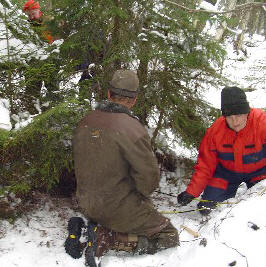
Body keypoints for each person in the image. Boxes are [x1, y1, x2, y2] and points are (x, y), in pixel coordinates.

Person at [72, 70, 179, 262]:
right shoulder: (132, 129)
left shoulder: (84, 122)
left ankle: (96, 227)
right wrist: (141, 200)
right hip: (116, 208)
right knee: (170, 236)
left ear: (108, 94)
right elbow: (149, 179)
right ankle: (108, 239)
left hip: (86, 204)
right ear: (134, 100)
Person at [177, 86, 266, 216]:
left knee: (259, 207)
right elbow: (205, 165)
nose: (234, 122)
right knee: (207, 209)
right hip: (226, 174)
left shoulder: (262, 123)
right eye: (229, 117)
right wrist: (191, 192)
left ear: (247, 112)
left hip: (259, 172)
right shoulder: (215, 131)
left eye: (239, 115)